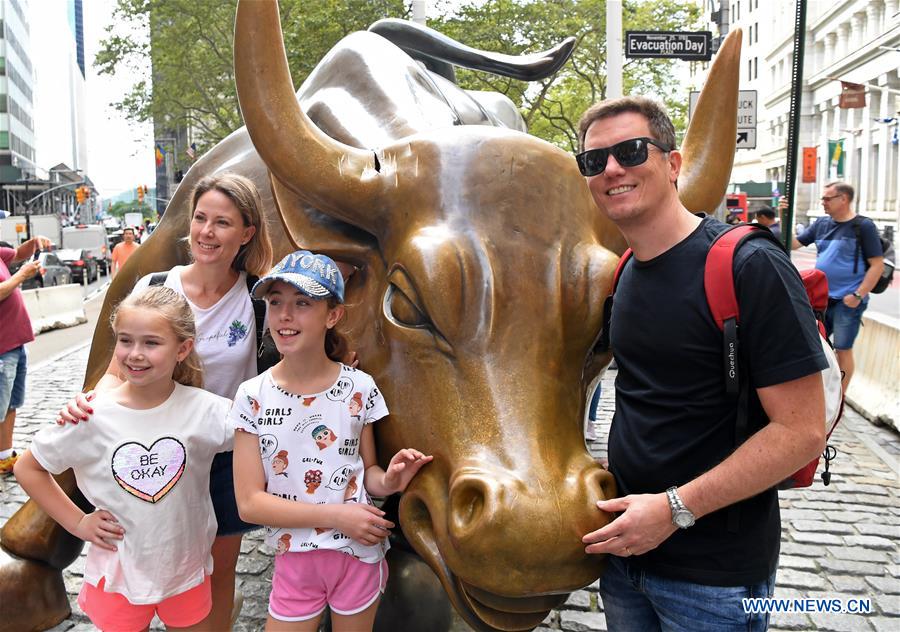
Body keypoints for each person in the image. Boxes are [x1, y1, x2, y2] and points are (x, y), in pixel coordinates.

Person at [574, 96, 827, 630]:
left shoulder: (749, 264)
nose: (612, 169)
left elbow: (802, 430)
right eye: (594, 160)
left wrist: (673, 509)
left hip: (715, 579)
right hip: (625, 560)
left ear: (672, 163)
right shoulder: (623, 273)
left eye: (630, 150)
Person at [59, 172, 274, 628]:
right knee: (137, 564)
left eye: (222, 222)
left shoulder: (260, 298)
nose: (206, 232)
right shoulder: (157, 285)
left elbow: (285, 363)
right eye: (200, 218)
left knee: (216, 574)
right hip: (153, 454)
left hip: (224, 458)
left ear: (247, 232)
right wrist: (91, 406)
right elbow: (120, 370)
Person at [231, 250, 432, 631]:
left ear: (333, 315)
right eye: (275, 303)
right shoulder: (252, 396)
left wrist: (389, 481)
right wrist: (337, 515)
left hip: (360, 556)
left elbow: (366, 471)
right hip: (297, 563)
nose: (285, 316)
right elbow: (249, 503)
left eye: (302, 303)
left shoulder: (359, 387)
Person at [15, 286, 234, 631]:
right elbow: (28, 467)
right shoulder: (91, 416)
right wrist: (77, 523)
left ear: (183, 348)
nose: (135, 354)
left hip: (186, 570)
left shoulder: (207, 410)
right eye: (125, 340)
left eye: (151, 343)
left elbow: (265, 432)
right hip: (117, 573)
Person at [791, 182, 884, 394]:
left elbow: (877, 265)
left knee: (843, 349)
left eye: (827, 198)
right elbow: (793, 243)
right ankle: (820, 393)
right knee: (814, 346)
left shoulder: (864, 226)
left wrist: (858, 295)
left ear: (843, 199)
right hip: (821, 299)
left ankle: (839, 397)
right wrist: (782, 214)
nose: (823, 202)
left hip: (847, 301)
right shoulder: (821, 224)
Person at [0, 235, 52, 474]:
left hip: (15, 343)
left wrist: (33, 242)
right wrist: (21, 275)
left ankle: (4, 456)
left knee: (11, 404)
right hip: (2, 348)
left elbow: (19, 253)